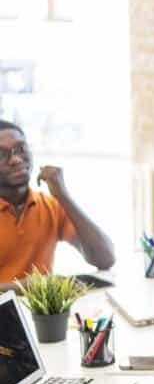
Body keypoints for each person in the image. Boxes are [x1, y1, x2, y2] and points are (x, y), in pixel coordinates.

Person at [0, 120, 115, 292]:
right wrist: (32, 286)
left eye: (21, 149)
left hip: (43, 314)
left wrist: (63, 195)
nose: (16, 159)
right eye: (2, 154)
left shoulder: (50, 205)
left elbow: (105, 259)